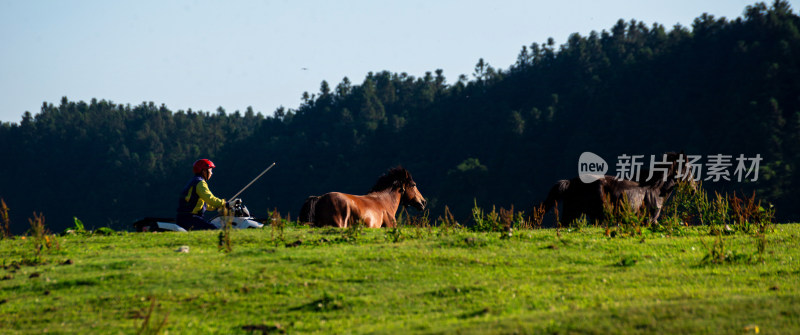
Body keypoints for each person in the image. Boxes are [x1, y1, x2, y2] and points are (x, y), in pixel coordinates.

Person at [176, 159, 234, 230]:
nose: (211, 173)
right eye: (210, 170)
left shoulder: (194, 181)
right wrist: (226, 204)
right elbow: (210, 198)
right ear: (204, 171)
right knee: (215, 231)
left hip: (185, 218)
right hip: (190, 219)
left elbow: (204, 204)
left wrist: (218, 207)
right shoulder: (200, 183)